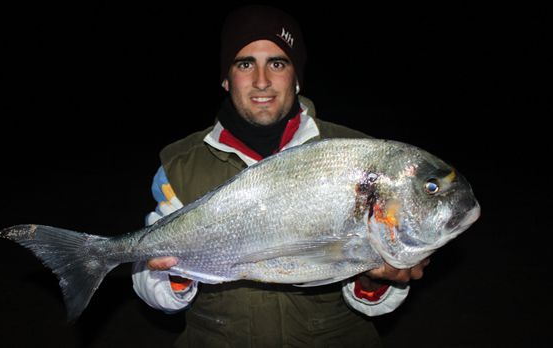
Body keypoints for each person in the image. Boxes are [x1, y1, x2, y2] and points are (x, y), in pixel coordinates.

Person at [132, 5, 429, 347]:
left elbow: (371, 304)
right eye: (245, 63)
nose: (262, 80)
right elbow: (155, 294)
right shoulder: (180, 165)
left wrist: (377, 281)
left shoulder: (360, 157)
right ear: (226, 78)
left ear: (297, 75)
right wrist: (176, 274)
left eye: (277, 62)